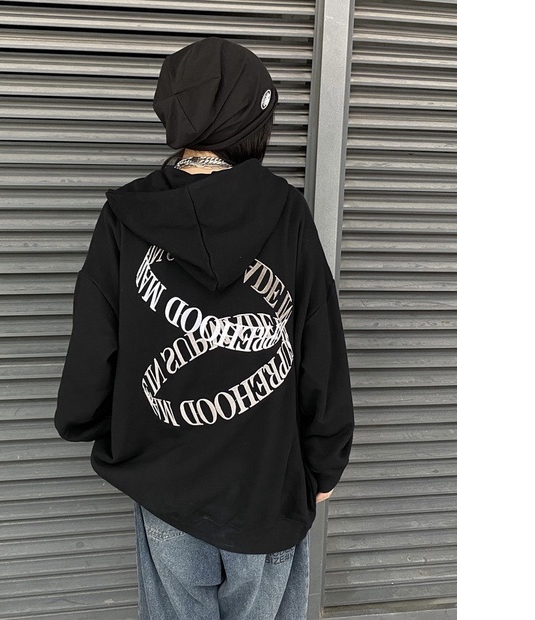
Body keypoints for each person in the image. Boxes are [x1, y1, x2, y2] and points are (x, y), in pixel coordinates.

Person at [53, 36, 354, 620]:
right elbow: (320, 346)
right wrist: (326, 460)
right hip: (266, 486)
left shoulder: (126, 216)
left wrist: (94, 425)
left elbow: (94, 339)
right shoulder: (286, 212)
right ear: (252, 121)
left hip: (165, 481)